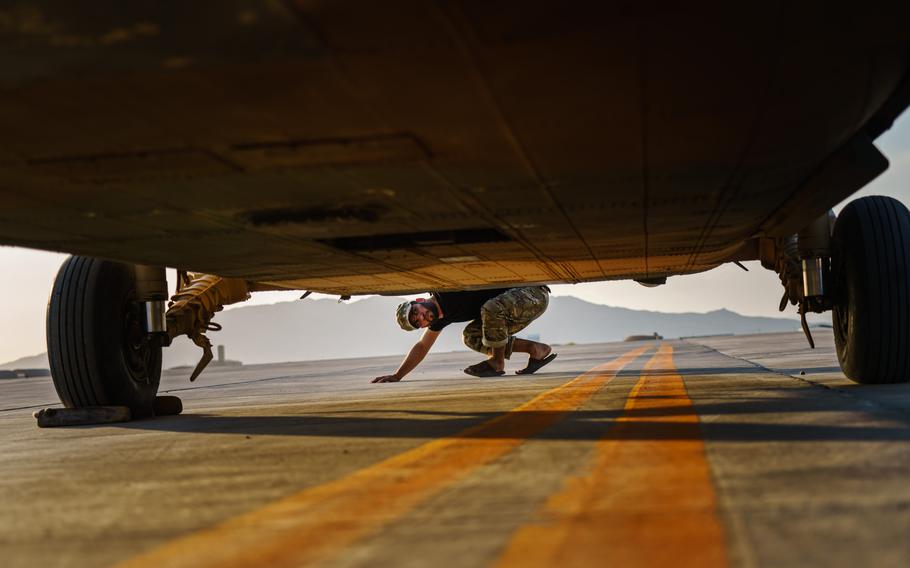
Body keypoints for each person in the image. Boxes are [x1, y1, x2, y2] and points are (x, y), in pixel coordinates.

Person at [372, 286, 556, 383]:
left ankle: (496, 362)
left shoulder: (443, 289)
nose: (420, 317)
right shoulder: (439, 319)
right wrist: (397, 375)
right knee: (471, 336)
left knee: (490, 309)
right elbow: (422, 346)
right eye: (417, 322)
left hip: (531, 295)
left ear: (419, 301)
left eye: (415, 311)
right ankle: (536, 349)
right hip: (513, 311)